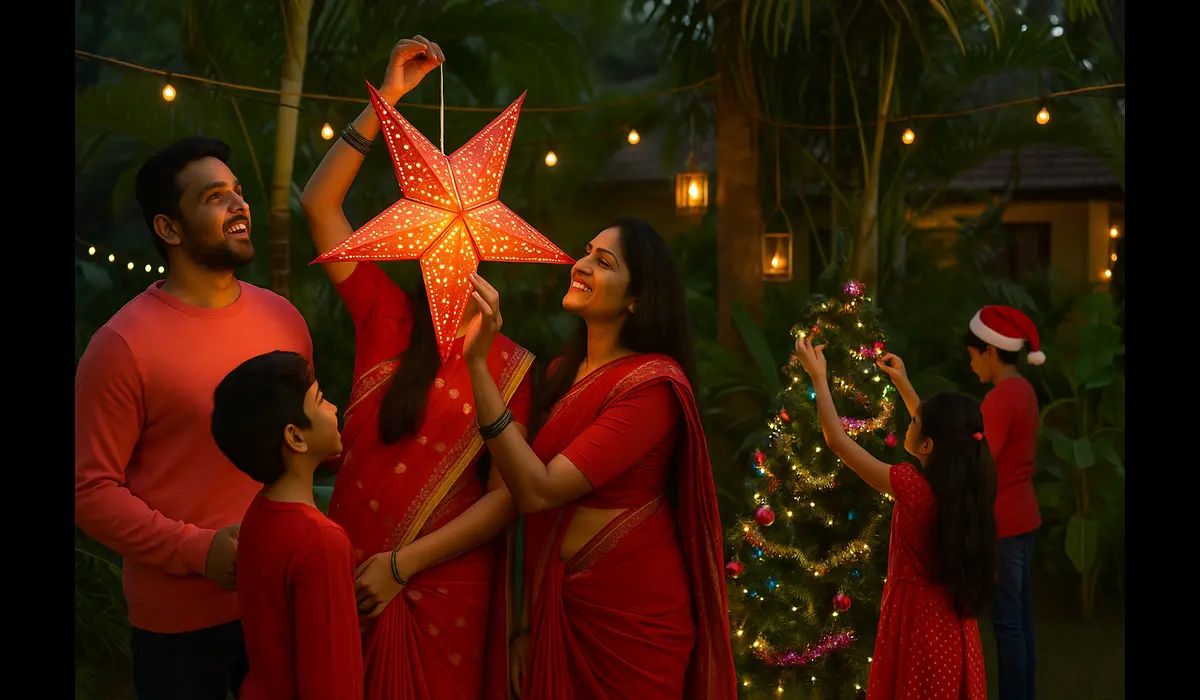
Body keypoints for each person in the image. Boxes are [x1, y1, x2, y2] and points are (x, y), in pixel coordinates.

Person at [299, 35, 533, 700]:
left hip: (445, 589)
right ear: (415, 239)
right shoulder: (385, 315)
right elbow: (318, 207)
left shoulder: (510, 366)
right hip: (352, 578)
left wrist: (404, 564)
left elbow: (506, 497)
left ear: (495, 244)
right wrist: (387, 101)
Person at [460, 217, 738, 700]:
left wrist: (479, 368)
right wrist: (523, 627)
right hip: (557, 608)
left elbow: (537, 490)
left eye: (603, 262)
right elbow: (538, 525)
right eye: (586, 251)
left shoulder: (651, 386)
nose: (581, 265)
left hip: (631, 626)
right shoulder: (560, 374)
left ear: (637, 299)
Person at [75, 137, 313, 700]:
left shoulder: (283, 319)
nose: (239, 204)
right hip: (180, 630)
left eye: (237, 191)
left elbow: (305, 446)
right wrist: (198, 552)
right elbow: (88, 490)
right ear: (170, 229)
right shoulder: (122, 344)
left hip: (285, 605)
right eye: (214, 196)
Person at [794, 334, 997, 700]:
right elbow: (943, 436)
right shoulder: (967, 489)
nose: (909, 420)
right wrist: (903, 384)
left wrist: (818, 378)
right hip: (952, 628)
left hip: (915, 623)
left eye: (915, 420)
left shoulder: (910, 486)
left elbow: (839, 442)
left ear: (927, 445)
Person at [877, 305, 1042, 700]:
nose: (971, 366)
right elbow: (942, 434)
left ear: (989, 350)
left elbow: (951, 448)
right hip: (1024, 519)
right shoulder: (1025, 390)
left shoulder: (1001, 399)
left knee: (1007, 626)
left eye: (972, 357)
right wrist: (904, 385)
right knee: (1019, 621)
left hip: (1001, 523)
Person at [212, 351, 362, 699]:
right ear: (295, 437)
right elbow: (332, 682)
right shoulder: (322, 541)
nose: (334, 409)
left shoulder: (258, 516)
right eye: (321, 401)